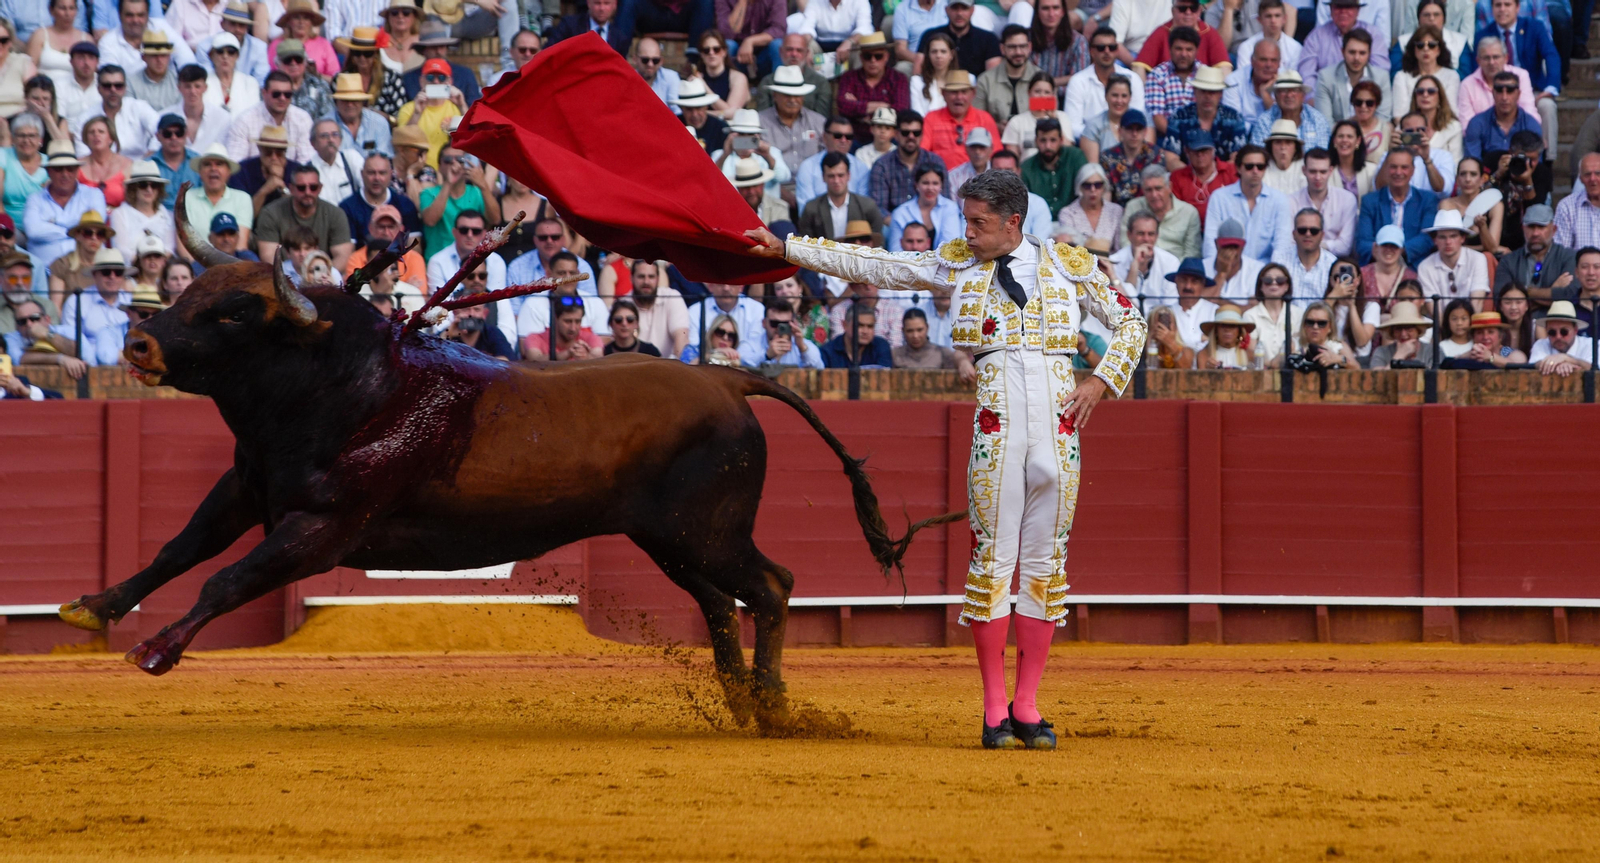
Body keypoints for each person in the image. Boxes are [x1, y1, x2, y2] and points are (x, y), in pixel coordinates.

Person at [744, 169, 1147, 750]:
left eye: (978, 222)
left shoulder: (1069, 265)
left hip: (1060, 437)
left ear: (1013, 222)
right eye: (965, 220)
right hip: (997, 435)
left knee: (1045, 566)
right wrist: (788, 249)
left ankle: (1028, 706)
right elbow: (878, 265)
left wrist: (1101, 380)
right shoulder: (956, 264)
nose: (968, 232)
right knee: (992, 565)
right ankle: (994, 710)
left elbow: (1131, 322)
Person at [1203, 144, 1295, 264]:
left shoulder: (1279, 200)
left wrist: (1273, 272)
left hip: (1265, 270)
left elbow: (1282, 244)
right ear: (1238, 168)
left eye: (1260, 167)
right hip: (1227, 268)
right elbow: (1210, 242)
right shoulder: (1219, 198)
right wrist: (1217, 270)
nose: (1255, 171)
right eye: (1249, 166)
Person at [254, 163, 352, 270]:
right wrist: (288, 278)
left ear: (320, 188)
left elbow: (342, 256)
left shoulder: (335, 214)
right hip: (285, 274)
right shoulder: (270, 213)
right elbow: (268, 257)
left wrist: (319, 275)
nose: (307, 192)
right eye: (301, 188)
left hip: (323, 274)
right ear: (291, 188)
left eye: (313, 187)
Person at [23, 141, 106, 265]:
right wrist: (75, 230)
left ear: (77, 170)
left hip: (88, 268)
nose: (65, 174)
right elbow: (33, 231)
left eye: (70, 169)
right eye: (58, 169)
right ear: (48, 171)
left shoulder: (93, 194)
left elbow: (95, 227)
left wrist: (52, 224)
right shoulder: (34, 199)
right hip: (46, 269)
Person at [1355, 149, 1439, 266]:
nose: (1398, 172)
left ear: (1413, 170)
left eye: (1404, 167)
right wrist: (1384, 254)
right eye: (1393, 167)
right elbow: (1363, 242)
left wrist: (1397, 251)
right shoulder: (1370, 201)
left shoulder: (1427, 200)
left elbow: (1427, 238)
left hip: (1415, 266)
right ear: (1385, 169)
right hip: (1377, 266)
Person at [1063, 27, 1145, 142]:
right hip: (1089, 142)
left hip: (1126, 142)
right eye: (1101, 48)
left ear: (1117, 51)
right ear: (1091, 51)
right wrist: (1103, 136)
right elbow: (1073, 126)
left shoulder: (1133, 79)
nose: (1107, 51)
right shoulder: (1077, 81)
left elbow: (1138, 117)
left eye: (1112, 47)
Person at [53, 246, 130, 366]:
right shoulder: (76, 302)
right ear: (94, 275)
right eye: (106, 272)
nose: (112, 276)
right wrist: (111, 355)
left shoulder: (132, 302)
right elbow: (71, 343)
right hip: (89, 368)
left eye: (118, 272)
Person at [419, 146, 500, 260]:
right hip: (438, 262)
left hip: (472, 261)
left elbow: (495, 219)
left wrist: (483, 185)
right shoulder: (428, 193)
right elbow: (430, 220)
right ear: (439, 167)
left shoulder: (476, 192)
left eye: (460, 160)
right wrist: (448, 183)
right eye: (448, 160)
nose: (454, 164)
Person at [1160, 66, 1248, 166]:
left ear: (1220, 94)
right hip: (1185, 173)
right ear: (1194, 91)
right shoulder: (1179, 116)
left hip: (1225, 174)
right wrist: (1192, 174)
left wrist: (1213, 174)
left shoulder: (1234, 117)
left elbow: (1238, 159)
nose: (1207, 97)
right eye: (1203, 91)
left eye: (1212, 92)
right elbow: (1171, 159)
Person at [222, 71, 313, 163]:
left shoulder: (302, 119)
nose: (282, 98)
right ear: (264, 93)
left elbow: (306, 161)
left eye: (287, 94)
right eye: (276, 94)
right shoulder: (244, 121)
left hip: (292, 172)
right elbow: (236, 163)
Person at [868, 110, 949, 214]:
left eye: (916, 133)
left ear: (922, 135)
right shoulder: (882, 166)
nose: (911, 137)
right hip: (894, 221)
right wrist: (899, 221)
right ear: (896, 134)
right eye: (905, 133)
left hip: (932, 220)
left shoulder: (936, 162)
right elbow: (879, 208)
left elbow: (945, 202)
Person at [798, 152, 886, 244]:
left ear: (848, 175)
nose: (836, 181)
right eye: (831, 176)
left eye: (840, 175)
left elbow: (878, 242)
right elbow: (805, 245)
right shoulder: (811, 209)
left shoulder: (867, 206)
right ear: (823, 177)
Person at [1492, 204, 1572, 303]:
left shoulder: (1568, 257)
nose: (1535, 233)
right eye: (1531, 227)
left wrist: (1525, 292)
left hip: (1556, 314)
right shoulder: (1508, 261)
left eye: (1541, 227)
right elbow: (1503, 300)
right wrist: (1552, 291)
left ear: (1554, 229)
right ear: (1523, 228)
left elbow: (1569, 296)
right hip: (1520, 314)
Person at [95, 0, 197, 77]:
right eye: (129, 15)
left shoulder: (161, 27)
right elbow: (111, 81)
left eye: (140, 15)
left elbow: (187, 60)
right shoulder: (108, 42)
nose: (136, 20)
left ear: (148, 15)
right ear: (119, 15)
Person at [1120, 164, 1202, 259]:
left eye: (1158, 188)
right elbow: (1125, 242)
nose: (1154, 195)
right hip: (1139, 263)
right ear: (1143, 191)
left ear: (1169, 187)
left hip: (1177, 266)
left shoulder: (1188, 213)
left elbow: (1192, 253)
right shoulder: (1133, 207)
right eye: (1149, 190)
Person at [1298, 0, 1389, 86]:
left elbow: (1380, 71)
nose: (1343, 11)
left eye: (1348, 7)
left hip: (1364, 92)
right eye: (1338, 7)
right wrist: (1316, 95)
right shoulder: (1316, 36)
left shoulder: (1373, 34)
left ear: (1357, 11)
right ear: (1331, 10)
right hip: (1325, 92)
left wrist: (1366, 94)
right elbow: (1306, 74)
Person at [340, 153, 419, 248]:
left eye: (382, 173)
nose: (377, 178)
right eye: (371, 173)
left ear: (391, 174)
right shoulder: (347, 208)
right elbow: (348, 251)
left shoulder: (405, 205)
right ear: (362, 174)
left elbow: (414, 248)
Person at [1312, 28, 1390, 125]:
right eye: (1352, 52)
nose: (1356, 58)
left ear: (1369, 54)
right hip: (1337, 134)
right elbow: (1325, 123)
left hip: (1373, 133)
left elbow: (1383, 120)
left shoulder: (1381, 78)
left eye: (1362, 53)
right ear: (1343, 52)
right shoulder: (1325, 77)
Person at [972, 26, 1041, 134]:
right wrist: (996, 127)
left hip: (1033, 138)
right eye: (1012, 47)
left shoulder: (1041, 79)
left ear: (1029, 47)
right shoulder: (985, 80)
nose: (1018, 52)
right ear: (1002, 49)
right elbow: (976, 119)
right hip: (995, 139)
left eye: (1022, 46)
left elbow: (1048, 117)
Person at [1142, 28, 1208, 141]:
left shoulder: (1205, 73)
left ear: (1196, 51)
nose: (1183, 54)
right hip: (1167, 136)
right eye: (1178, 49)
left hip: (1201, 136)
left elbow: (1210, 113)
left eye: (1189, 49)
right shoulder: (1157, 74)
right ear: (1170, 49)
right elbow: (1157, 116)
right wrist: (1180, 138)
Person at [1290, 147, 1356, 256]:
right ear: (1304, 170)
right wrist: (1329, 245)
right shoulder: (1291, 201)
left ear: (1330, 171)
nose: (1318, 177)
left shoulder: (1347, 199)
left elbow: (1345, 247)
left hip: (1337, 261)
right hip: (1299, 258)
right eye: (1312, 171)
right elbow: (1288, 243)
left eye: (1323, 172)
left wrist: (1309, 245)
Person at [506, 216, 598, 294]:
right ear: (535, 240)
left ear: (563, 239)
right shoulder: (517, 267)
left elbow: (591, 304)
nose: (549, 241)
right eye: (543, 237)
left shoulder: (582, 266)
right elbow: (514, 307)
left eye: (555, 237)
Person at [1463, 71, 1540, 163]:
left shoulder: (1532, 125)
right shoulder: (1477, 124)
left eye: (1510, 91)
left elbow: (1536, 165)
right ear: (1493, 93)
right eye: (1499, 91)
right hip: (1486, 171)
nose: (1504, 97)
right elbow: (1472, 163)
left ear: (1518, 94)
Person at [343, 203, 425, 287]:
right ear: (370, 229)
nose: (386, 232)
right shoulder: (356, 258)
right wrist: (407, 287)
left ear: (401, 229)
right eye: (381, 227)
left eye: (391, 227)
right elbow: (353, 290)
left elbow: (420, 292)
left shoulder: (414, 258)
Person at [1135, 0, 1232, 72]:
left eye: (1193, 8)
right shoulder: (1161, 32)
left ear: (1199, 11)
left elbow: (1224, 66)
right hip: (1166, 88)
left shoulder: (1210, 33)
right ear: (1173, 11)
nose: (1188, 12)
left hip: (1202, 89)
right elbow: (1139, 65)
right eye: (1182, 8)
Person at [1417, 209, 1490, 301]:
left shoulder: (1477, 259)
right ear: (1435, 240)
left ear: (1462, 238)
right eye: (1442, 237)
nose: (1448, 242)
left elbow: (1477, 300)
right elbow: (1432, 306)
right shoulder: (1425, 267)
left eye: (1453, 236)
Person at [1249, 70, 1331, 150]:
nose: (1289, 95)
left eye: (1295, 90)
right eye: (1284, 90)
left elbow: (1323, 155)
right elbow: (1259, 154)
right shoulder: (1265, 121)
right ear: (1276, 96)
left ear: (1303, 96)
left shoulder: (1317, 119)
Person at [916, 0, 1001, 77]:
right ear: (946, 10)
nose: (959, 13)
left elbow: (992, 77)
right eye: (955, 8)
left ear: (972, 10)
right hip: (936, 86)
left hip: (976, 87)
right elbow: (918, 71)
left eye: (964, 8)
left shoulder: (988, 39)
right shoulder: (930, 35)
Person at [107, 160, 170, 263]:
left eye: (154, 185)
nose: (149, 190)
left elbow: (169, 249)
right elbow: (121, 250)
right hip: (131, 269)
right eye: (143, 185)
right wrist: (145, 265)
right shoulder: (120, 214)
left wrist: (155, 265)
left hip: (162, 269)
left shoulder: (166, 214)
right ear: (133, 188)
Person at [336, 26, 405, 120]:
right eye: (357, 53)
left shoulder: (392, 78)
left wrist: (381, 117)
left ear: (376, 54)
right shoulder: (340, 78)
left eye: (367, 53)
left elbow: (400, 117)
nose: (362, 58)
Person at [1112, 210, 1181, 302]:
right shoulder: (1114, 261)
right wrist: (1135, 264)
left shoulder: (1171, 262)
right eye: (1141, 234)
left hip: (1159, 311)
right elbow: (1121, 304)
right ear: (1129, 235)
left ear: (1157, 236)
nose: (1146, 239)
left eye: (1151, 234)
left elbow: (1171, 303)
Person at [195, 2, 268, 89]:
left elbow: (261, 81)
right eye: (232, 24)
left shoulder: (259, 47)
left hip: (249, 93)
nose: (237, 29)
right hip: (213, 91)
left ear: (247, 27)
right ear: (222, 24)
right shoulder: (205, 46)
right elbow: (206, 78)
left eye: (241, 25)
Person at [1021, 117, 1086, 214]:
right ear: (1036, 141)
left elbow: (1086, 190)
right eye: (1043, 140)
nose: (1048, 146)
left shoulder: (1075, 157)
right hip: (1039, 219)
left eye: (1053, 140)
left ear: (1061, 140)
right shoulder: (1027, 167)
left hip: (1074, 217)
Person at [26, 0, 91, 95]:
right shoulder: (39, 35)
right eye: (62, 8)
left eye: (71, 8)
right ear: (51, 10)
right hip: (44, 94)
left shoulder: (86, 39)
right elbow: (29, 70)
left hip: (76, 94)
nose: (67, 13)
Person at [1001, 73, 1071, 162]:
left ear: (1053, 95)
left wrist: (1054, 120)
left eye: (1047, 92)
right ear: (1029, 93)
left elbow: (1068, 150)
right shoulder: (1016, 122)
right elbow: (1012, 159)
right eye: (1037, 91)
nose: (1042, 96)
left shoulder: (1062, 117)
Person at [1393, 24, 1459, 115]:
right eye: (1420, 45)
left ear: (1439, 50)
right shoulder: (1401, 77)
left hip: (1443, 123)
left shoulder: (1451, 76)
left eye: (1432, 45)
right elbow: (1399, 115)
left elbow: (1451, 112)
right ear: (1414, 50)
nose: (1426, 49)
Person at [228, 124, 294, 214]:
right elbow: (243, 215)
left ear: (286, 151)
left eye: (279, 152)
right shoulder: (242, 171)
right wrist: (266, 189)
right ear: (260, 149)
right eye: (268, 152)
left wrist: (283, 188)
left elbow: (299, 213)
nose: (274, 157)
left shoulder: (296, 170)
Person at [45, 209, 106, 307]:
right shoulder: (62, 264)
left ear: (103, 238)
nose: (94, 238)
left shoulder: (110, 269)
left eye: (100, 234)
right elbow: (55, 306)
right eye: (88, 233)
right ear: (78, 235)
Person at [1098, 109, 1160, 206]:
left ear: (1145, 132)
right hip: (1117, 210)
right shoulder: (1107, 157)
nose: (1134, 134)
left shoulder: (1155, 154)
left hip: (1148, 208)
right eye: (1129, 129)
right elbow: (1106, 193)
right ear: (1120, 131)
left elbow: (1157, 190)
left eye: (1138, 129)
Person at [1076, 74, 1142, 165]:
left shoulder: (1141, 122)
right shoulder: (1093, 126)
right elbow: (1093, 168)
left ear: (1130, 98)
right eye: (1115, 95)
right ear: (1106, 96)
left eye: (1124, 96)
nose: (1119, 101)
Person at [630, 259, 689, 359]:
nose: (646, 282)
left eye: (651, 277)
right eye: (641, 276)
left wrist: (675, 365)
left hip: (667, 365)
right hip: (633, 365)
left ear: (658, 279)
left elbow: (681, 337)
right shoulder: (623, 303)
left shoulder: (672, 297)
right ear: (631, 278)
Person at [1055, 162, 1121, 250]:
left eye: (1098, 185)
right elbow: (1069, 248)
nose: (1093, 190)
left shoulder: (1116, 211)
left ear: (1104, 186)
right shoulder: (1068, 213)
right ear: (1080, 187)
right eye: (1087, 185)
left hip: (1111, 258)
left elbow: (1119, 248)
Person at [738, 300, 824, 368]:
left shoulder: (803, 344)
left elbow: (819, 368)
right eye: (774, 323)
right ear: (764, 323)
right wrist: (766, 355)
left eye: (785, 324)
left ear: (793, 323)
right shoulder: (751, 345)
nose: (779, 328)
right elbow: (740, 362)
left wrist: (802, 348)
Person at [1029, 0, 1088, 95]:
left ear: (1063, 11)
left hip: (1067, 97)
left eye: (1055, 8)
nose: (1051, 14)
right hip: (1032, 97)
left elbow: (1080, 79)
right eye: (1045, 8)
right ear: (1037, 12)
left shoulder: (1078, 41)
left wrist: (1048, 86)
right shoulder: (1026, 39)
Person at [1275, 207, 1336, 298]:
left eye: (1314, 231)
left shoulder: (1333, 265)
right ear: (1294, 234)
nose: (1308, 234)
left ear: (1322, 235)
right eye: (1302, 230)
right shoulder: (1280, 261)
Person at [0, 114, 47, 229]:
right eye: (21, 135)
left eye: (32, 136)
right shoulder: (3, 155)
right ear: (13, 139)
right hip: (9, 227)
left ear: (40, 140)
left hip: (42, 225)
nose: (26, 140)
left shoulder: (49, 163)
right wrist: (6, 227)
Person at [1204, 218, 1264, 304]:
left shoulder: (1257, 269)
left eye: (1235, 247)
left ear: (1243, 246)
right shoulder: (1202, 267)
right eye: (1226, 246)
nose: (1230, 252)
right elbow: (1201, 305)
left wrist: (1218, 301)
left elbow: (1255, 309)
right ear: (1216, 244)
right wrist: (1222, 273)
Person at [525, 296, 604, 362]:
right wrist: (567, 353)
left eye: (577, 321)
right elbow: (534, 361)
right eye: (567, 321)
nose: (573, 328)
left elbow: (600, 359)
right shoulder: (535, 338)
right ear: (555, 319)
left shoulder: (591, 338)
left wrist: (586, 357)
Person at [1223, 38, 1281, 127]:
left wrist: (1267, 98)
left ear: (1279, 63)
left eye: (1273, 60)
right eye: (1263, 60)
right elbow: (1232, 122)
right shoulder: (1233, 81)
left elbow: (1283, 124)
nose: (1268, 65)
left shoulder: (1286, 83)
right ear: (1252, 61)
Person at [1527, 299, 1594, 374]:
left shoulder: (1591, 345)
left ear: (1575, 330)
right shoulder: (1541, 344)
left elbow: (1594, 367)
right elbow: (1535, 364)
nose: (1558, 336)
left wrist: (1568, 359)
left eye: (1564, 332)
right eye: (1552, 332)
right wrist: (1560, 364)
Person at [1408, 74, 1463, 165]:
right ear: (1415, 97)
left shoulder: (1454, 127)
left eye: (1431, 91)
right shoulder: (1405, 126)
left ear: (1440, 97)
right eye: (1420, 91)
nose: (1425, 95)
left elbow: (1456, 164)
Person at [546, 0, 631, 55]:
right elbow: (549, 50)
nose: (602, 8)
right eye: (597, 3)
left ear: (615, 5)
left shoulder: (620, 38)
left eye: (606, 3)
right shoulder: (569, 25)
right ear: (589, 3)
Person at [819, 304, 893, 367]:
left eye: (870, 326)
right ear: (845, 325)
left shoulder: (881, 346)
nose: (865, 331)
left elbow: (884, 377)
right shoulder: (828, 351)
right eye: (859, 326)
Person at [1368, 302, 1437, 367]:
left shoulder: (1433, 352)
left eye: (1408, 328)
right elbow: (1378, 375)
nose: (1403, 334)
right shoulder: (1381, 352)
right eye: (1398, 329)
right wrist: (1400, 355)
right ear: (1392, 332)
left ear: (1418, 330)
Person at [203, 32, 257, 113]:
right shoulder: (203, 82)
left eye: (231, 52)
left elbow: (253, 113)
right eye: (220, 51)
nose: (225, 56)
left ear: (237, 56)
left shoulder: (249, 83)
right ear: (211, 55)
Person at [1361, 223, 1418, 302]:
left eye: (1394, 246)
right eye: (1384, 245)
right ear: (1376, 247)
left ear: (1401, 250)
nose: (1389, 250)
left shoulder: (1411, 278)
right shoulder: (1362, 275)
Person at [1294, 299, 1356, 367]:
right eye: (1310, 322)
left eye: (1321, 323)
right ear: (1304, 325)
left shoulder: (1339, 346)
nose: (1315, 327)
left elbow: (1357, 368)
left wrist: (1338, 359)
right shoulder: (1295, 343)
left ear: (1330, 327)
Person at [127, 29, 177, 110]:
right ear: (143, 57)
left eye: (163, 55)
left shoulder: (178, 82)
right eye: (154, 55)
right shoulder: (131, 83)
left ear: (169, 57)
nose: (159, 60)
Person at [1459, 309, 1528, 366]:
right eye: (1480, 332)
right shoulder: (1470, 355)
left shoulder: (1513, 354)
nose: (1485, 337)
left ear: (1500, 336)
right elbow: (1455, 360)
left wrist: (1491, 357)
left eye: (1490, 332)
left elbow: (1518, 364)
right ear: (1473, 337)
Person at [1196, 303, 1256, 368]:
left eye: (1232, 326)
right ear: (1216, 330)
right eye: (1223, 325)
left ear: (1239, 331)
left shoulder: (1249, 355)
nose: (1227, 329)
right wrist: (1208, 369)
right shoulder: (1204, 354)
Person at [1329, 117, 1377, 197]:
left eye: (1349, 136)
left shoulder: (1372, 171)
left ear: (1358, 141)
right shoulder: (1326, 171)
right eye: (1340, 136)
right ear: (1334, 141)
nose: (1344, 140)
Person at [55, 41, 100, 122]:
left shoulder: (105, 84)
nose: (86, 63)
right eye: (81, 58)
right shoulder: (59, 85)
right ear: (71, 61)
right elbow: (60, 119)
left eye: (91, 58)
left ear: (97, 62)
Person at [633, 36, 679, 111]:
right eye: (645, 60)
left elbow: (676, 110)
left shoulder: (671, 77)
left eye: (655, 60)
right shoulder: (627, 80)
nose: (650, 64)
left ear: (661, 61)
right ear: (635, 59)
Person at [1263, 119, 1306, 195]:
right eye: (1278, 142)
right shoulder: (1262, 168)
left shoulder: (1305, 168)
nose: (1283, 147)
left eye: (1288, 142)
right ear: (1270, 147)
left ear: (1296, 148)